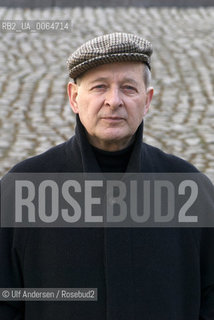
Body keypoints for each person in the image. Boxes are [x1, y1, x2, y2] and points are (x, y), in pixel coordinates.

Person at [0, 32, 214, 320]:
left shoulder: (191, 190)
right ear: (74, 98)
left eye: (128, 88)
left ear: (147, 100)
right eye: (100, 87)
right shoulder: (23, 189)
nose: (114, 101)